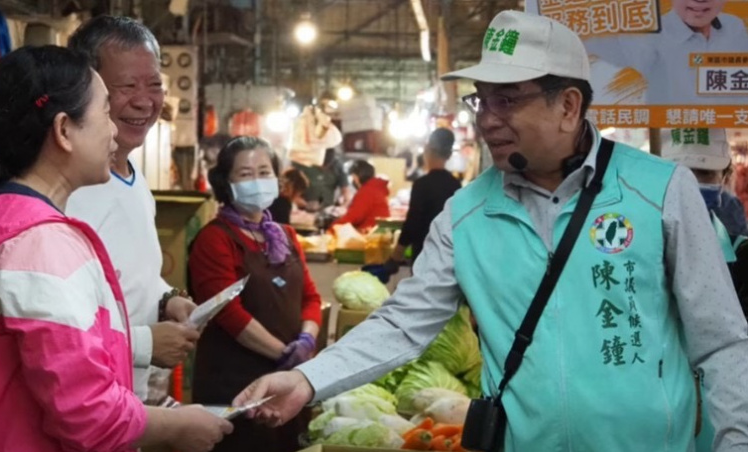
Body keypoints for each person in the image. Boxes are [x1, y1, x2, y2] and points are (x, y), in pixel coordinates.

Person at [234, 10, 748, 452]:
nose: (488, 120)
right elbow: (401, 325)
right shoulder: (466, 216)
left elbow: (721, 341)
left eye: (509, 100)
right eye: (482, 100)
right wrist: (308, 379)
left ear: (569, 105)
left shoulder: (658, 191)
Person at [0, 45, 232, 452]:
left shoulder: (3, 223)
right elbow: (88, 412)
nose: (115, 131)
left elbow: (59, 353)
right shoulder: (40, 247)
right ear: (64, 130)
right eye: (104, 112)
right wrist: (175, 426)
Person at [64, 16, 198, 402]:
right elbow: (55, 324)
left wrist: (167, 299)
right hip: (80, 403)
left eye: (154, 84)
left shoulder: (135, 180)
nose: (144, 101)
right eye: (126, 87)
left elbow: (131, 273)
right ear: (87, 89)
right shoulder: (70, 190)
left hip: (125, 399)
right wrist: (143, 343)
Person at [188, 136, 323, 452]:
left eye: (264, 172)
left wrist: (306, 342)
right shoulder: (215, 239)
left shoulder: (285, 235)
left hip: (289, 379)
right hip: (235, 381)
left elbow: (311, 298)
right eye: (246, 174)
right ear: (226, 183)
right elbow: (228, 313)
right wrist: (284, 354)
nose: (258, 181)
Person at [584, 0, 748, 105]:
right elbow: (590, 41)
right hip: (670, 128)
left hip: (727, 128)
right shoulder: (647, 35)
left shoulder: (734, 26)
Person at [389, 128, 461, 266]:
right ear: (449, 155)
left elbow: (412, 222)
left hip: (423, 254)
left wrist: (397, 254)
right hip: (448, 255)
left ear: (427, 150)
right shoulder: (455, 184)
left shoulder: (422, 184)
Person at [663, 128, 748, 239]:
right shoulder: (647, 213)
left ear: (725, 178)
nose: (692, 182)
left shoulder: (730, 210)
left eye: (705, 174)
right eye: (680, 173)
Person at [330, 160, 390, 232]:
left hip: (370, 234)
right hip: (377, 231)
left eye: (353, 176)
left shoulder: (367, 191)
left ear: (356, 177)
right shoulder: (375, 188)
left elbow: (354, 216)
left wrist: (332, 228)